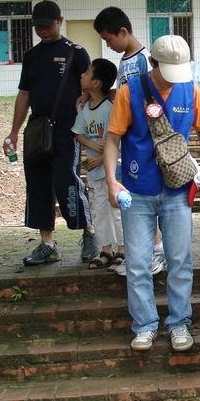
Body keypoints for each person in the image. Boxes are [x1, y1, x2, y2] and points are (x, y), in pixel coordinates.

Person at [103, 35, 200, 352]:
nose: (173, 79)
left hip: (177, 190)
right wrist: (112, 181)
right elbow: (113, 139)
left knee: (179, 260)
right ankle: (144, 325)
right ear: (153, 63)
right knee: (138, 263)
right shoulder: (129, 92)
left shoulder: (190, 90)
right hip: (136, 189)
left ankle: (179, 322)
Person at [5, 0, 95, 266]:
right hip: (37, 130)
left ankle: (89, 232)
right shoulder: (32, 56)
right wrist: (13, 132)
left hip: (67, 130)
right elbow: (24, 94)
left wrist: (84, 102)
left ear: (60, 21)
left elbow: (90, 88)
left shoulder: (76, 52)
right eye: (38, 27)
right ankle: (47, 244)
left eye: (47, 26)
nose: (42, 31)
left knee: (67, 179)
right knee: (37, 184)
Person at [94, 6, 169, 276]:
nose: (108, 45)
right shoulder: (125, 62)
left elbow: (151, 97)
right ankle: (144, 253)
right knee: (136, 197)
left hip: (146, 139)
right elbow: (124, 95)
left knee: (146, 197)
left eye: (108, 39)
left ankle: (157, 251)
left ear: (123, 32)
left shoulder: (144, 60)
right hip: (129, 140)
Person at [72, 58, 124, 269]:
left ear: (96, 83)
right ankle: (106, 250)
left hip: (113, 170)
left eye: (87, 72)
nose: (82, 75)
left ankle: (122, 250)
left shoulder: (110, 108)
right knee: (99, 211)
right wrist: (91, 144)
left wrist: (102, 158)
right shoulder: (84, 108)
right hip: (94, 172)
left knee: (116, 210)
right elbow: (78, 133)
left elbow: (118, 140)